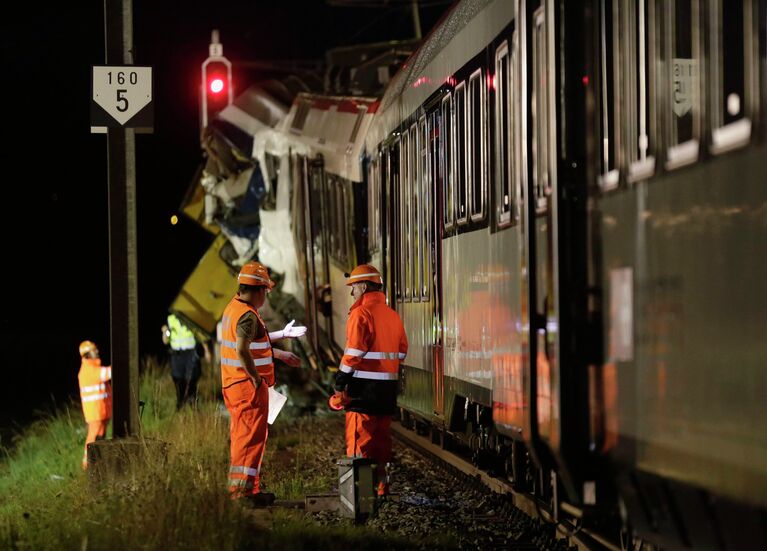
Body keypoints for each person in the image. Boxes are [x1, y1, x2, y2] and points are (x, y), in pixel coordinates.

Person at [219, 261, 306, 505]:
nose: (266, 296)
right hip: (247, 388)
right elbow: (242, 349)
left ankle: (242, 490)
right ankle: (244, 494)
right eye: (266, 291)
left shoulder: (234, 309)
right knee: (250, 440)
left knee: (242, 439)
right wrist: (256, 379)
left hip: (235, 385)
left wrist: (282, 341)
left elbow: (257, 344)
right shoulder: (247, 315)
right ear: (258, 290)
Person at [332, 264, 408, 496]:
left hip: (362, 391)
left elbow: (354, 352)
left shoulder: (360, 314)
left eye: (353, 287)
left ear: (363, 286)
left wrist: (341, 378)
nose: (352, 292)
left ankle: (360, 495)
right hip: (387, 391)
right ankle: (381, 487)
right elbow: (403, 351)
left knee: (360, 442)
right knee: (381, 442)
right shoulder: (392, 315)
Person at [77, 340, 112, 470]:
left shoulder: (92, 368)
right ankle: (88, 465)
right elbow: (107, 374)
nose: (97, 351)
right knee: (93, 439)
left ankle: (97, 465)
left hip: (100, 412)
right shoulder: (88, 370)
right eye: (93, 350)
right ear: (86, 355)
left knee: (99, 439)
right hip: (95, 413)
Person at [162, 313, 203, 410]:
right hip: (177, 354)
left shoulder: (190, 317)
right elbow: (165, 341)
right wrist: (165, 332)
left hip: (191, 353)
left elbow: (199, 334)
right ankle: (180, 405)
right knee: (178, 380)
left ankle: (193, 406)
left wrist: (206, 349)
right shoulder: (170, 319)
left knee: (192, 379)